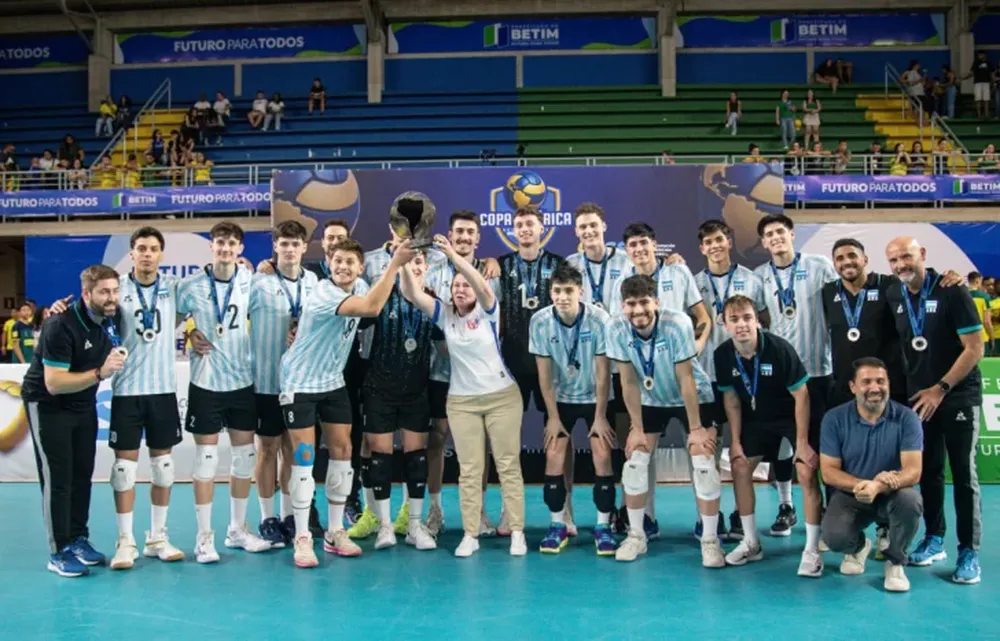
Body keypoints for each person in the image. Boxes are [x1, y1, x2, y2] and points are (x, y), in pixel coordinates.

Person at [279, 238, 416, 568]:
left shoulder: (363, 284)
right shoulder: (326, 291)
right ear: (329, 262)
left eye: (349, 262)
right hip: (300, 383)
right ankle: (302, 537)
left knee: (342, 454)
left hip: (333, 382)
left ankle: (335, 532)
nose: (342, 267)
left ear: (361, 267)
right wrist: (396, 264)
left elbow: (374, 302)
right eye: (337, 261)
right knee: (305, 458)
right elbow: (371, 308)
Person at [399, 235, 527, 558]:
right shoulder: (444, 314)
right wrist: (401, 261)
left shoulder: (488, 309)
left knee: (508, 465)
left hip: (502, 398)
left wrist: (455, 258)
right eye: (455, 286)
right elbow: (413, 293)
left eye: (465, 285)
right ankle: (470, 534)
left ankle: (517, 533)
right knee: (469, 469)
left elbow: (481, 286)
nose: (460, 289)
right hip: (462, 403)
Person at [885, 236, 985, 584]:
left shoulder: (952, 291)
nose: (901, 265)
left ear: (923, 255)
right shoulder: (894, 294)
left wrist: (941, 388)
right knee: (929, 471)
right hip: (918, 401)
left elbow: (975, 348)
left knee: (963, 475)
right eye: (894, 260)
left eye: (907, 257)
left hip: (955, 397)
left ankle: (969, 550)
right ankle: (935, 538)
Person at [606, 275, 720, 565]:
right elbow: (628, 382)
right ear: (622, 306)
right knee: (635, 461)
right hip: (651, 396)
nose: (638, 310)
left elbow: (685, 377)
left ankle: (709, 540)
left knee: (703, 460)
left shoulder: (678, 322)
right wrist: (637, 428)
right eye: (631, 304)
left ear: (656, 302)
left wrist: (695, 429)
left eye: (644, 302)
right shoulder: (616, 327)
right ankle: (636, 536)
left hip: (691, 395)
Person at [22, 265, 124, 577]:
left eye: (115, 291)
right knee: (59, 478)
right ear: (86, 294)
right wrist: (99, 374)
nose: (111, 298)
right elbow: (54, 383)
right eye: (104, 292)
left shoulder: (114, 316)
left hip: (83, 404)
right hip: (48, 404)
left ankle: (79, 538)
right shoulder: (60, 325)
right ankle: (58, 550)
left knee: (82, 474)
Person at [178, 222, 270, 563]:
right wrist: (189, 332)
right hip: (205, 383)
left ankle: (237, 529)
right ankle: (204, 538)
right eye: (220, 242)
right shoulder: (190, 286)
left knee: (245, 458)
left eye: (232, 243)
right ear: (211, 246)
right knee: (205, 461)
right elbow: (168, 317)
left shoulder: (252, 281)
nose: (226, 248)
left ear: (241, 249)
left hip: (242, 382)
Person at [617, 222, 711, 539]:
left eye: (645, 243)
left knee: (701, 457)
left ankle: (707, 524)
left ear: (655, 244)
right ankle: (644, 520)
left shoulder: (678, 272)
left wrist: (694, 348)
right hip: (649, 385)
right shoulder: (622, 279)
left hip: (685, 378)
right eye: (632, 245)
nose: (640, 250)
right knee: (639, 455)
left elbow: (703, 318)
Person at [712, 295, 816, 575]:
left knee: (806, 470)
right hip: (755, 419)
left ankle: (813, 548)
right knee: (739, 465)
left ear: (757, 320)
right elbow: (731, 400)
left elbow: (801, 396)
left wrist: (803, 443)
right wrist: (734, 442)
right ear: (724, 324)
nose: (742, 325)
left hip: (789, 415)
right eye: (734, 319)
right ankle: (751, 542)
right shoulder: (722, 354)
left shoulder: (779, 349)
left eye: (747, 318)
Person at [754, 213, 837, 544]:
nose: (775, 237)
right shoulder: (761, 276)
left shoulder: (819, 266)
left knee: (821, 445)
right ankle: (786, 506)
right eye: (769, 234)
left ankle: (830, 511)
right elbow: (761, 318)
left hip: (819, 372)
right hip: (781, 377)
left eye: (780, 231)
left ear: (791, 234)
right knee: (782, 445)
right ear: (763, 243)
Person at [106, 228, 185, 571]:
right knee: (123, 470)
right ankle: (125, 540)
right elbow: (89, 306)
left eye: (154, 249)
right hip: (126, 391)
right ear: (132, 253)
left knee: (163, 468)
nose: (148, 254)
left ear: (162, 254)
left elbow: (204, 307)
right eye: (141, 249)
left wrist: (194, 331)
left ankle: (157, 537)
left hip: (163, 390)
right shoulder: (117, 288)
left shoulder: (173, 288)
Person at [529, 263, 617, 555]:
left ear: (581, 292)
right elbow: (544, 375)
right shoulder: (540, 320)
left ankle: (603, 527)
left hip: (595, 397)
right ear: (550, 292)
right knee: (553, 453)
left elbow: (604, 373)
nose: (562, 296)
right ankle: (557, 526)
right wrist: (553, 418)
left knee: (602, 453)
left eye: (569, 291)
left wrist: (601, 416)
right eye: (557, 291)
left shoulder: (599, 319)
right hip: (561, 398)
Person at [423, 211, 502, 537]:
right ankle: (435, 510)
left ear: (478, 238)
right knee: (437, 438)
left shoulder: (490, 274)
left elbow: (496, 323)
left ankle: (480, 511)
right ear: (450, 235)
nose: (465, 237)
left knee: (477, 444)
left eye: (471, 232)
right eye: (459, 232)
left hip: (478, 377)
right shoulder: (432, 270)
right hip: (441, 372)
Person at [819, 357, 924, 593]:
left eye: (880, 381)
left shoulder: (907, 418)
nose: (875, 387)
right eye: (866, 382)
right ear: (853, 387)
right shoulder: (834, 419)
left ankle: (896, 562)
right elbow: (828, 472)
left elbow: (914, 471)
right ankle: (858, 547)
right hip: (851, 494)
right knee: (834, 537)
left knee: (911, 501)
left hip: (893, 492)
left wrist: (880, 486)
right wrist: (863, 484)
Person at [359, 247, 439, 552]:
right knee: (380, 458)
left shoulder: (431, 302)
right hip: (379, 389)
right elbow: (356, 323)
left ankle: (415, 526)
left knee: (416, 458)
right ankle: (384, 526)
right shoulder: (381, 299)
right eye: (409, 262)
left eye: (419, 262)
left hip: (416, 391)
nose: (414, 267)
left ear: (426, 267)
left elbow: (448, 345)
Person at [693, 219, 767, 541]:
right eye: (708, 242)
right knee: (707, 450)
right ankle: (706, 517)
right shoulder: (693, 283)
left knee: (744, 449)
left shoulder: (751, 280)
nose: (715, 246)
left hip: (745, 377)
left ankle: (741, 514)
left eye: (719, 239)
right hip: (708, 374)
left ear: (730, 240)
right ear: (702, 248)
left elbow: (764, 323)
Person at [247, 221, 319, 547]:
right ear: (275, 247)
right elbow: (230, 317)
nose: (290, 249)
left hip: (300, 383)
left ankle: (289, 514)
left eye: (295, 244)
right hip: (265, 381)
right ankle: (267, 517)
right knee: (267, 450)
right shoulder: (258, 283)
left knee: (292, 452)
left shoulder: (315, 282)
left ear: (304, 248)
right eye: (284, 243)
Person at [495, 206, 565, 535]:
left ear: (542, 228)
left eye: (530, 224)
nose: (525, 229)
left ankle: (565, 510)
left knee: (560, 433)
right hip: (512, 364)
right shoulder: (501, 265)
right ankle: (510, 512)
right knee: (510, 440)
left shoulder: (559, 265)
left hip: (551, 361)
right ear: (512, 230)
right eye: (519, 225)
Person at [564, 203, 632, 534]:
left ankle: (625, 509)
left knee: (620, 442)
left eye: (593, 225)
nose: (589, 231)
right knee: (569, 443)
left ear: (604, 225)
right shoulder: (571, 265)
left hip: (622, 367)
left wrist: (670, 260)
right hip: (583, 370)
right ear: (576, 232)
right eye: (583, 227)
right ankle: (564, 511)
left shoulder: (626, 261)